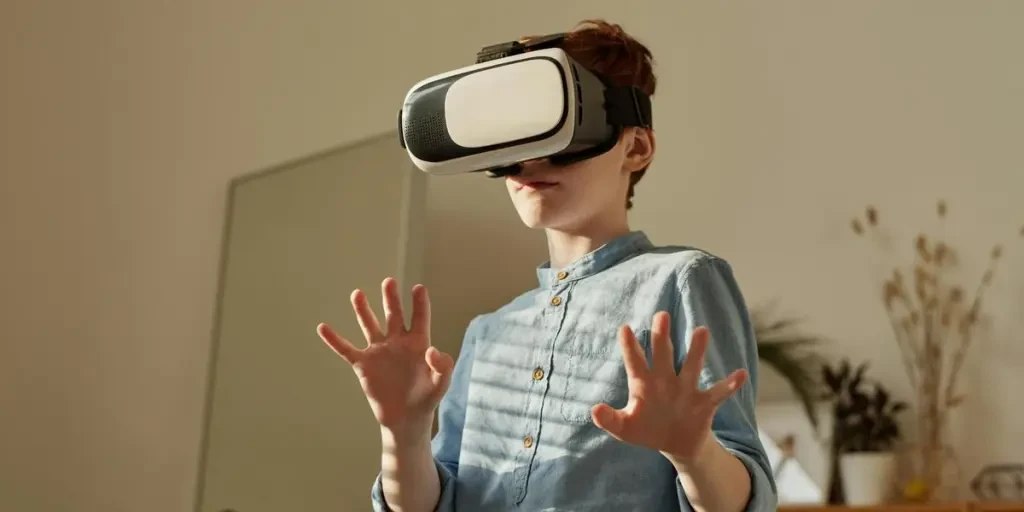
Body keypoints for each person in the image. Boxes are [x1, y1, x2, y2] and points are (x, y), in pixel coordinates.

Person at [317, 19, 778, 512]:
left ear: (636, 146)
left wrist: (694, 453)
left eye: (559, 138)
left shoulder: (681, 280)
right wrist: (403, 432)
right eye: (513, 145)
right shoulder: (487, 333)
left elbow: (746, 500)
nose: (531, 163)